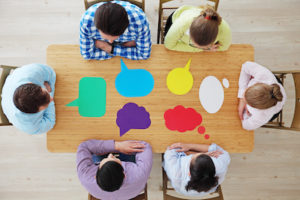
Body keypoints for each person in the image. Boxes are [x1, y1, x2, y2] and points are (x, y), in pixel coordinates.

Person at [76, 139, 152, 200]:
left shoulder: (85, 176)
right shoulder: (138, 174)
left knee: (96, 150)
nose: (110, 155)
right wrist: (118, 146)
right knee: (132, 144)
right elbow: (143, 145)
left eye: (106, 160)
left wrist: (116, 146)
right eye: (114, 159)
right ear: (124, 175)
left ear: (96, 176)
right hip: (129, 192)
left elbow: (84, 147)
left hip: (117, 195)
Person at [80, 1, 152, 60]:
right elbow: (87, 55)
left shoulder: (140, 21)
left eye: (116, 37)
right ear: (96, 26)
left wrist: (108, 48)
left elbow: (144, 54)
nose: (110, 42)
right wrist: (128, 46)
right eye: (106, 38)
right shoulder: (87, 22)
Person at [1, 64, 56, 134]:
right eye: (46, 105)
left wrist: (48, 99)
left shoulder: (32, 72)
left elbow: (51, 73)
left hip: (12, 84)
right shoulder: (30, 125)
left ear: (31, 83)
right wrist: (49, 90)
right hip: (9, 106)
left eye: (44, 91)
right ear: (35, 112)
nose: (51, 99)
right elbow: (50, 123)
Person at [163, 142, 230, 197]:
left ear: (189, 173)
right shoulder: (220, 167)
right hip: (206, 191)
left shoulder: (175, 173)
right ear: (213, 168)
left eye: (193, 157)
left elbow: (171, 149)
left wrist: (189, 148)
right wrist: (191, 151)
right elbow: (219, 150)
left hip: (183, 190)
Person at [238, 61, 287, 130]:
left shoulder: (262, 116)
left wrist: (247, 115)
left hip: (272, 111)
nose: (243, 95)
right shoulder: (265, 76)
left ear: (255, 108)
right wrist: (242, 99)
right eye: (247, 90)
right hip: (275, 87)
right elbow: (245, 66)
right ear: (257, 83)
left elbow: (246, 126)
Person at [164, 5, 231, 52]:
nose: (197, 47)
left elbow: (224, 48)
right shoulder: (181, 24)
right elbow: (168, 45)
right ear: (190, 32)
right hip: (176, 18)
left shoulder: (225, 30)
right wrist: (205, 49)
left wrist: (202, 49)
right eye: (195, 45)